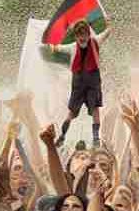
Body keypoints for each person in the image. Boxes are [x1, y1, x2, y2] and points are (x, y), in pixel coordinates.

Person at [46, 20, 108, 148]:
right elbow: (57, 48)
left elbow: (107, 33)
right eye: (80, 35)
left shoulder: (95, 41)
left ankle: (96, 138)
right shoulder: (72, 47)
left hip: (93, 83)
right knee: (72, 113)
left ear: (88, 34)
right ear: (76, 36)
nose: (82, 37)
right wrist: (51, 45)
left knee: (95, 108)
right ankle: (62, 136)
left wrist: (108, 24)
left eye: (84, 34)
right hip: (78, 85)